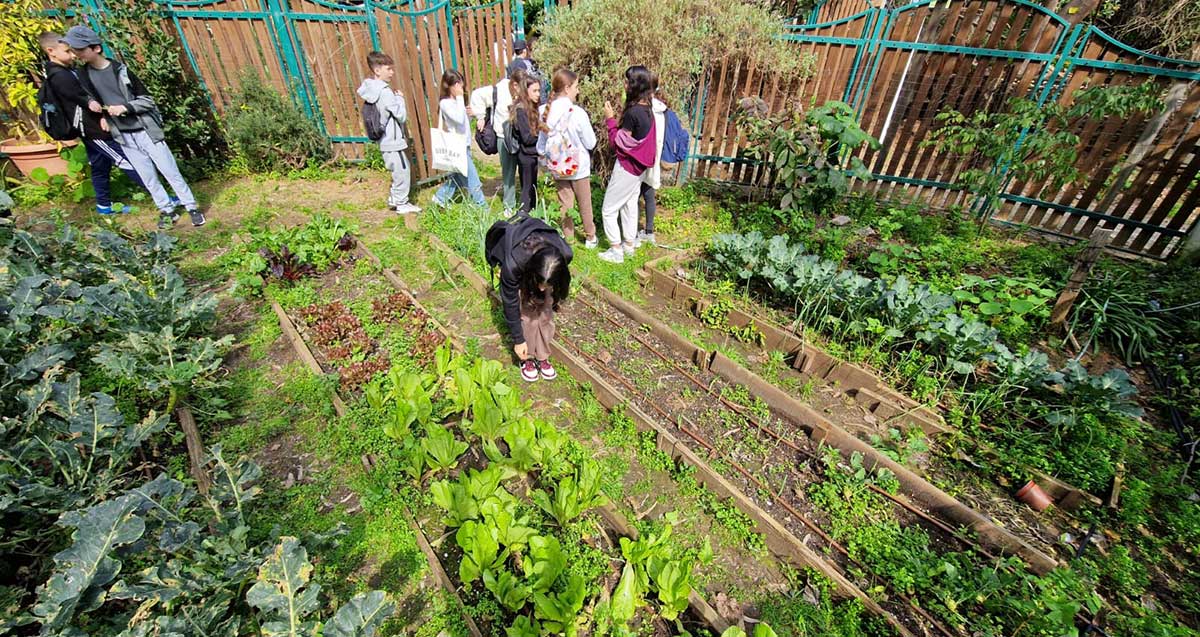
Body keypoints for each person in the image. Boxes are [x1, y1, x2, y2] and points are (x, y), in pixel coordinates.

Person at [64, 25, 206, 229]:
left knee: (169, 170)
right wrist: (96, 109)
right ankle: (167, 210)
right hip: (122, 135)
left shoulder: (120, 71)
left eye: (80, 49)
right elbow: (87, 97)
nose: (76, 53)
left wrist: (126, 107)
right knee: (148, 176)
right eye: (74, 49)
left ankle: (191, 206)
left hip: (146, 131)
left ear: (95, 48)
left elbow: (148, 100)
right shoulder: (83, 74)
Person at [38, 32, 148, 217]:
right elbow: (86, 103)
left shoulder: (64, 72)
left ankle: (104, 205)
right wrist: (102, 117)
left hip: (90, 129)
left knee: (100, 166)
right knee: (126, 159)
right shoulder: (60, 77)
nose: (74, 55)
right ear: (51, 51)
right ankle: (160, 195)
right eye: (67, 51)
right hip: (93, 130)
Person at [485, 214, 572, 382]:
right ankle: (529, 357)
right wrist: (518, 340)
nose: (541, 288)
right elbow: (510, 302)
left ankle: (542, 355)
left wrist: (551, 295)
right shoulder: (514, 264)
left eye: (547, 284)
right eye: (539, 282)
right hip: (521, 257)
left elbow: (554, 284)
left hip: (538, 264)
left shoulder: (565, 254)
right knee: (527, 313)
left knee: (546, 313)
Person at [597, 65, 657, 264]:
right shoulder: (648, 108)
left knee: (609, 208)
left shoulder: (633, 113)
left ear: (634, 85)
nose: (624, 84)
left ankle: (615, 250)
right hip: (639, 170)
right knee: (630, 205)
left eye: (627, 81)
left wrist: (610, 120)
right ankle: (629, 245)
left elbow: (618, 143)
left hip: (627, 168)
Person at [538, 68, 597, 248]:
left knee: (565, 204)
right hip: (578, 167)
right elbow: (591, 142)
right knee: (584, 203)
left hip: (557, 165)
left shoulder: (544, 111)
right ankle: (590, 237)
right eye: (576, 86)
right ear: (567, 88)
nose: (578, 90)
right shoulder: (577, 113)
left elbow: (540, 144)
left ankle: (568, 238)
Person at [358, 51, 419, 214]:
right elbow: (401, 115)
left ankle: (394, 198)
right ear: (377, 70)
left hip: (385, 141)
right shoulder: (384, 92)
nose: (392, 72)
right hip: (392, 142)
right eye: (388, 69)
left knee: (398, 170)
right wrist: (400, 99)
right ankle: (401, 202)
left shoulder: (372, 90)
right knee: (402, 172)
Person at [432, 69, 486, 207]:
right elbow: (458, 119)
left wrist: (471, 113)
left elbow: (464, 122)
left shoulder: (457, 102)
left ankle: (440, 197)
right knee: (473, 178)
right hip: (458, 146)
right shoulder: (445, 103)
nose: (460, 88)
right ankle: (482, 207)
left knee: (457, 177)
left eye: (461, 85)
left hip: (465, 145)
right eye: (457, 85)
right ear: (449, 86)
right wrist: (460, 99)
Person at [469, 73, 517, 210]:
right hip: (503, 136)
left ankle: (528, 202)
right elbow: (477, 95)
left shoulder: (526, 89)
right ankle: (509, 205)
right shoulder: (499, 90)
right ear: (513, 83)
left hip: (521, 136)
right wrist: (480, 117)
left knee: (525, 171)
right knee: (508, 172)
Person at [638, 74, 668, 246]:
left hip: (641, 155)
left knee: (634, 194)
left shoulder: (644, 108)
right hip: (654, 155)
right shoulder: (662, 109)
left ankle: (632, 232)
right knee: (649, 192)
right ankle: (649, 231)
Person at [509, 73, 543, 215]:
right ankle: (523, 216)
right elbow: (527, 138)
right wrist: (542, 134)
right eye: (534, 91)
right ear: (526, 91)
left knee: (533, 188)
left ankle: (532, 215)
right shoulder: (522, 110)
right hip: (526, 155)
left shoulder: (533, 107)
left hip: (533, 154)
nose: (538, 94)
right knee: (527, 189)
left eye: (539, 90)